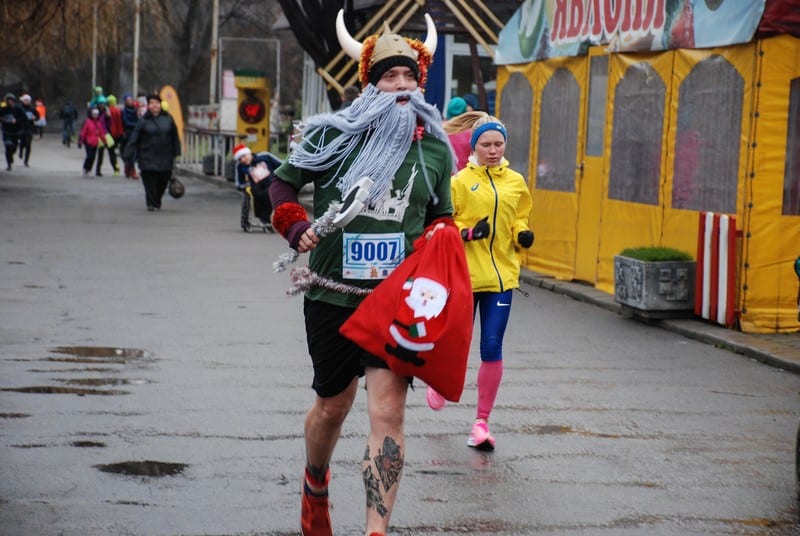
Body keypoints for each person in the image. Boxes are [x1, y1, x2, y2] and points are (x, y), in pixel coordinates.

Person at [269, 10, 452, 536]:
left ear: (421, 82)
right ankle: (316, 481)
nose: (401, 86)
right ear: (369, 84)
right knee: (332, 406)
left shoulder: (433, 146)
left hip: (396, 303)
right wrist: (295, 224)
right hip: (331, 297)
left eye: (409, 76)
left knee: (388, 413)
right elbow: (281, 186)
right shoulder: (335, 137)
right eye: (389, 76)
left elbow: (441, 214)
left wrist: (443, 234)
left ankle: (376, 530)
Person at [427, 115, 534, 451]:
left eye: (498, 144)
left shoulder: (516, 181)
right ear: (473, 147)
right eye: (485, 144)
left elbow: (519, 216)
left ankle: (481, 423)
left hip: (501, 278)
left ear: (505, 146)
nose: (492, 150)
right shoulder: (459, 182)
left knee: (492, 345)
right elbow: (441, 224)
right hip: (464, 277)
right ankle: (440, 382)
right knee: (455, 340)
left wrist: (522, 234)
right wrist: (469, 233)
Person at [122, 94, 181, 211]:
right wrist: (128, 154)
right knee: (150, 182)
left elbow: (175, 136)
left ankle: (156, 200)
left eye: (157, 103)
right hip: (147, 157)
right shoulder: (143, 121)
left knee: (163, 181)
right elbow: (134, 137)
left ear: (161, 105)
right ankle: (151, 203)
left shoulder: (168, 118)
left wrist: (177, 152)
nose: (155, 106)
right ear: (148, 106)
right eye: (152, 103)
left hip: (165, 157)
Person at [233, 143, 281, 230]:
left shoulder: (265, 156)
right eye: (240, 159)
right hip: (255, 186)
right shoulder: (240, 166)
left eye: (243, 156)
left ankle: (265, 219)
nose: (243, 159)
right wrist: (244, 186)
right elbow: (239, 183)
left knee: (270, 192)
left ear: (249, 153)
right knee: (257, 192)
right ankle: (261, 219)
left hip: (273, 182)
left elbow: (282, 165)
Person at [77, 107, 108, 176]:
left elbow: (101, 133)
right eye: (94, 114)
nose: (95, 116)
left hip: (95, 142)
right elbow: (83, 132)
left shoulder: (98, 123)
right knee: (89, 156)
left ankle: (89, 169)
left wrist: (105, 142)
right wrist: (80, 141)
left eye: (96, 114)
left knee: (93, 157)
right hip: (88, 142)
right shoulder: (87, 122)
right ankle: (85, 168)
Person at [2, 93, 25, 171]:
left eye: (11, 100)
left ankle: (11, 155)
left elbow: (23, 117)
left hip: (15, 131)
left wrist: (16, 120)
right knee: (8, 146)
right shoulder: (3, 108)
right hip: (6, 131)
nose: (9, 102)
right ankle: (9, 164)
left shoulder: (18, 108)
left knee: (14, 147)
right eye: (8, 100)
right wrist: (3, 119)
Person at [121, 94, 140, 179]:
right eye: (128, 100)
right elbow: (126, 122)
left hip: (135, 133)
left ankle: (129, 167)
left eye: (131, 100)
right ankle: (131, 170)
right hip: (128, 134)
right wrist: (136, 125)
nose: (130, 102)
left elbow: (139, 119)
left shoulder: (136, 110)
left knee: (134, 153)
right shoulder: (124, 111)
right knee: (130, 152)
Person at [17, 94, 38, 167]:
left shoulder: (32, 109)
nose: (27, 102)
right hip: (21, 128)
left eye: (28, 100)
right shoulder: (19, 108)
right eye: (25, 100)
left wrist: (34, 118)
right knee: (22, 143)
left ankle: (26, 161)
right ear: (23, 101)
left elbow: (37, 116)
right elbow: (16, 117)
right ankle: (21, 151)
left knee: (28, 145)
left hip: (29, 128)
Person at [105, 95, 124, 175]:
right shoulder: (119, 111)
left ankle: (116, 169)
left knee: (111, 153)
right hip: (119, 134)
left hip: (110, 135)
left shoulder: (107, 111)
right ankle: (128, 167)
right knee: (121, 151)